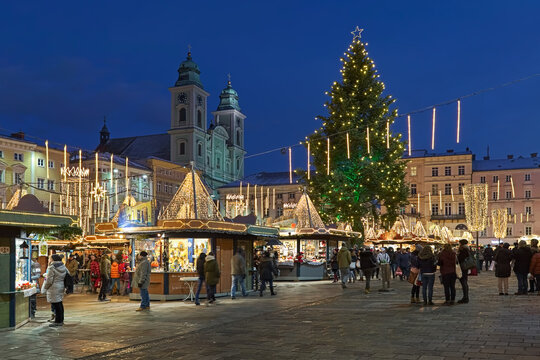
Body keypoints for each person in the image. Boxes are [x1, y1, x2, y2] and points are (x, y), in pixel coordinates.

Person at [42, 254, 67, 327]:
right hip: (60, 286)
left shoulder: (52, 267)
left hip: (53, 288)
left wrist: (45, 287)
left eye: (50, 258)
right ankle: (60, 320)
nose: (49, 260)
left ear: (53, 259)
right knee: (59, 303)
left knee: (56, 305)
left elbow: (49, 280)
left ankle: (58, 321)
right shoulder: (63, 266)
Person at [457, 239, 471, 304]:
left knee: (463, 282)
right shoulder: (467, 249)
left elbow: (460, 259)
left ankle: (465, 297)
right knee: (464, 281)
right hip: (465, 267)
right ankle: (465, 297)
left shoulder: (463, 250)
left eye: (459, 243)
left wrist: (457, 256)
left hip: (463, 267)